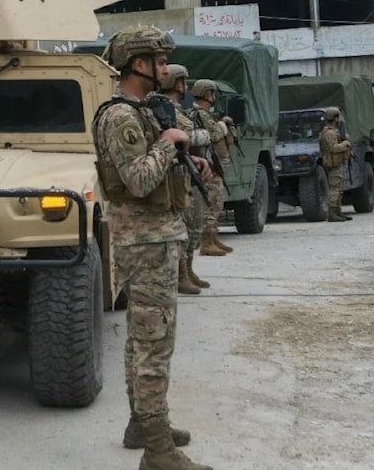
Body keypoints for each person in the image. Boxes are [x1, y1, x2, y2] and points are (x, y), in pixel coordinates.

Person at [92, 24, 214, 470]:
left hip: (155, 236)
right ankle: (158, 450)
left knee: (143, 338)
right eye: (159, 61)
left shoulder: (140, 110)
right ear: (138, 64)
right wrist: (167, 145)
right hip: (145, 240)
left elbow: (153, 170)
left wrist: (186, 160)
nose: (165, 68)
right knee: (153, 343)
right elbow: (139, 181)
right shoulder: (121, 116)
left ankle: (143, 426)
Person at [159, 64, 214, 294]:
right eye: (183, 82)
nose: (186, 87)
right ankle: (182, 274)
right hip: (180, 174)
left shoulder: (178, 109)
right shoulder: (169, 109)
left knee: (193, 227)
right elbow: (183, 137)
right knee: (186, 227)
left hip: (191, 170)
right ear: (176, 83)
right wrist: (204, 135)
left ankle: (188, 271)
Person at [190, 79, 236, 255]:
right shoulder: (200, 114)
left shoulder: (206, 114)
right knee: (211, 204)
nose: (214, 97)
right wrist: (224, 124)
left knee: (217, 203)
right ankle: (207, 242)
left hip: (213, 164)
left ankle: (213, 237)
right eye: (213, 93)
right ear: (208, 94)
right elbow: (215, 134)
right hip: (208, 165)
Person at [319, 107, 352, 222]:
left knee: (339, 189)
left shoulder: (334, 131)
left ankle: (338, 211)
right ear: (335, 118)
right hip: (333, 163)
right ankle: (332, 213)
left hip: (338, 162)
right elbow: (333, 148)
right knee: (334, 189)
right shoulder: (329, 132)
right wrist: (345, 144)